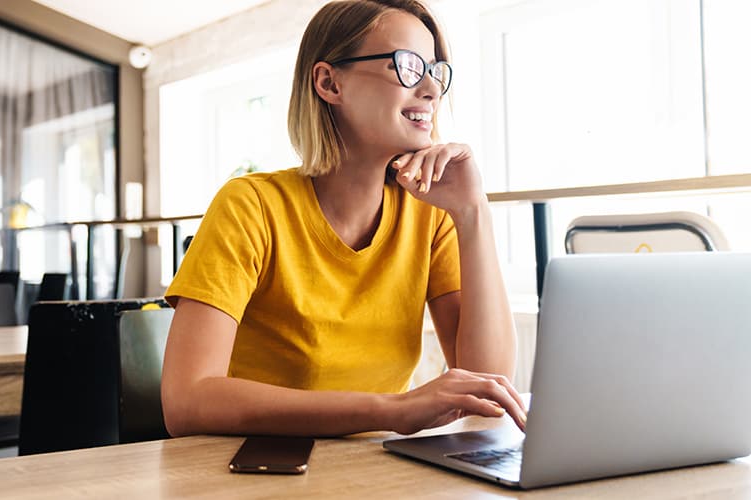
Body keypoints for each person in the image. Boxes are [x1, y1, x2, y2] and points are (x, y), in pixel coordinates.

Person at [161, 0, 527, 437]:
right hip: (255, 466)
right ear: (329, 82)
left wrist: (473, 212)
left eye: (435, 71)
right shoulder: (250, 206)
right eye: (408, 66)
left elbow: (487, 390)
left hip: (378, 469)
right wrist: (390, 410)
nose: (431, 89)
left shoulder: (430, 215)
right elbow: (186, 401)